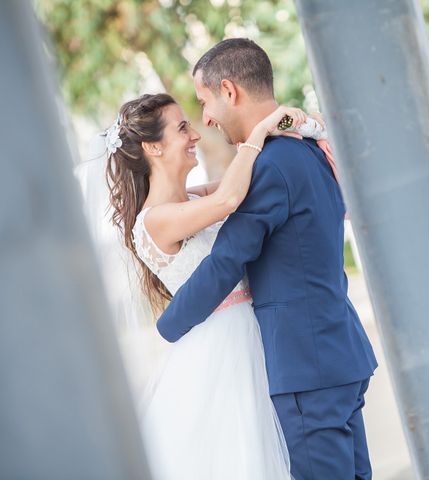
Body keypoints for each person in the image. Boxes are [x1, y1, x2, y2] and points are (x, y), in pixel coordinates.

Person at [157, 38, 378, 479]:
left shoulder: (269, 167)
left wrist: (169, 326)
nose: (206, 119)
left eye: (204, 102)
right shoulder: (305, 149)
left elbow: (227, 260)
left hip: (306, 367)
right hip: (338, 351)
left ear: (229, 90)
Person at [105, 91, 314, 479]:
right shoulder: (155, 220)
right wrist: (264, 128)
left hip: (256, 331)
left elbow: (243, 179)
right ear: (153, 147)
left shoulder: (192, 197)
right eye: (182, 127)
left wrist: (292, 135)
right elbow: (232, 197)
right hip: (223, 348)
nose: (195, 134)